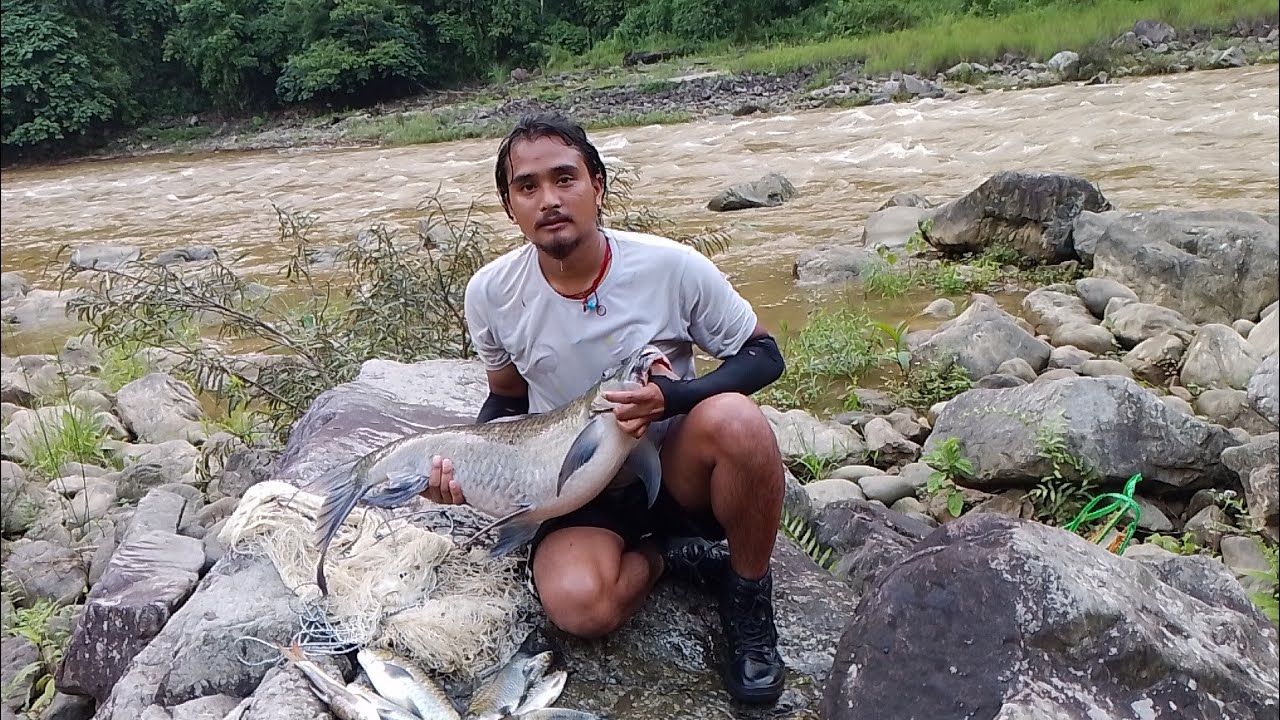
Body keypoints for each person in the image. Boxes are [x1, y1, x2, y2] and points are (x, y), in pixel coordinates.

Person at [423, 111, 788, 705]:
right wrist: (467, 468)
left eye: (565, 178)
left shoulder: (671, 267)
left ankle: (748, 599)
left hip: (674, 471)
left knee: (738, 424)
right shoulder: (490, 293)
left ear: (597, 185)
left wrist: (677, 396)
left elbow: (764, 355)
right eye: (528, 186)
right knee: (579, 605)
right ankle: (672, 557)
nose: (549, 199)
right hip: (573, 485)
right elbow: (507, 399)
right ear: (509, 204)